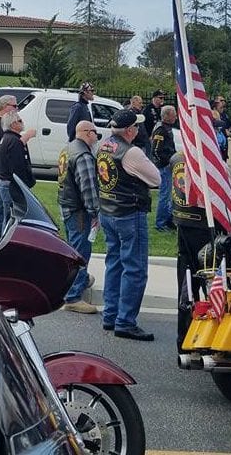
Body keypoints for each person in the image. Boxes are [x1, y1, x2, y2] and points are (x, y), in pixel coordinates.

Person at [97, 109, 160, 341]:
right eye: (137, 127)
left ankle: (111, 314)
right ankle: (125, 321)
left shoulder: (104, 145)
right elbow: (156, 179)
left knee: (114, 263)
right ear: (130, 130)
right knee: (135, 269)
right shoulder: (131, 152)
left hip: (108, 211)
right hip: (128, 212)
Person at [170, 150, 224, 352]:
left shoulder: (176, 158)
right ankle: (203, 338)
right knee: (211, 285)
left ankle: (183, 338)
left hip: (183, 224)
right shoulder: (204, 162)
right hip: (203, 227)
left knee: (186, 284)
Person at [58, 120, 100, 314]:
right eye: (95, 133)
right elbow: (88, 187)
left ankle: (79, 281)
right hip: (79, 209)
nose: (97, 137)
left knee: (72, 249)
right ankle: (73, 296)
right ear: (87, 133)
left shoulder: (68, 148)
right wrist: (95, 211)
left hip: (66, 204)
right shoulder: (83, 155)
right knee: (80, 253)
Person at [0, 111, 36, 235]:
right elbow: (18, 166)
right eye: (19, 120)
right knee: (11, 218)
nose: (22, 122)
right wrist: (23, 185)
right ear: (13, 124)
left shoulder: (8, 138)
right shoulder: (13, 141)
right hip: (11, 184)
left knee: (7, 215)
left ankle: (2, 240)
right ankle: (5, 243)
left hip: (5, 182)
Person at [0, 95, 20, 244]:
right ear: (5, 106)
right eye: (14, 106)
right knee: (5, 210)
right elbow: (9, 142)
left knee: (1, 208)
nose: (16, 109)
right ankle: (0, 240)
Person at [152, 105, 178, 232]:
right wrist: (166, 162)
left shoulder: (167, 128)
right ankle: (160, 223)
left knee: (169, 195)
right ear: (167, 116)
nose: (176, 117)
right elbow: (156, 150)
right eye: (173, 115)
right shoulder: (161, 130)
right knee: (164, 196)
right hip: (164, 167)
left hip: (168, 165)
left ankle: (168, 220)